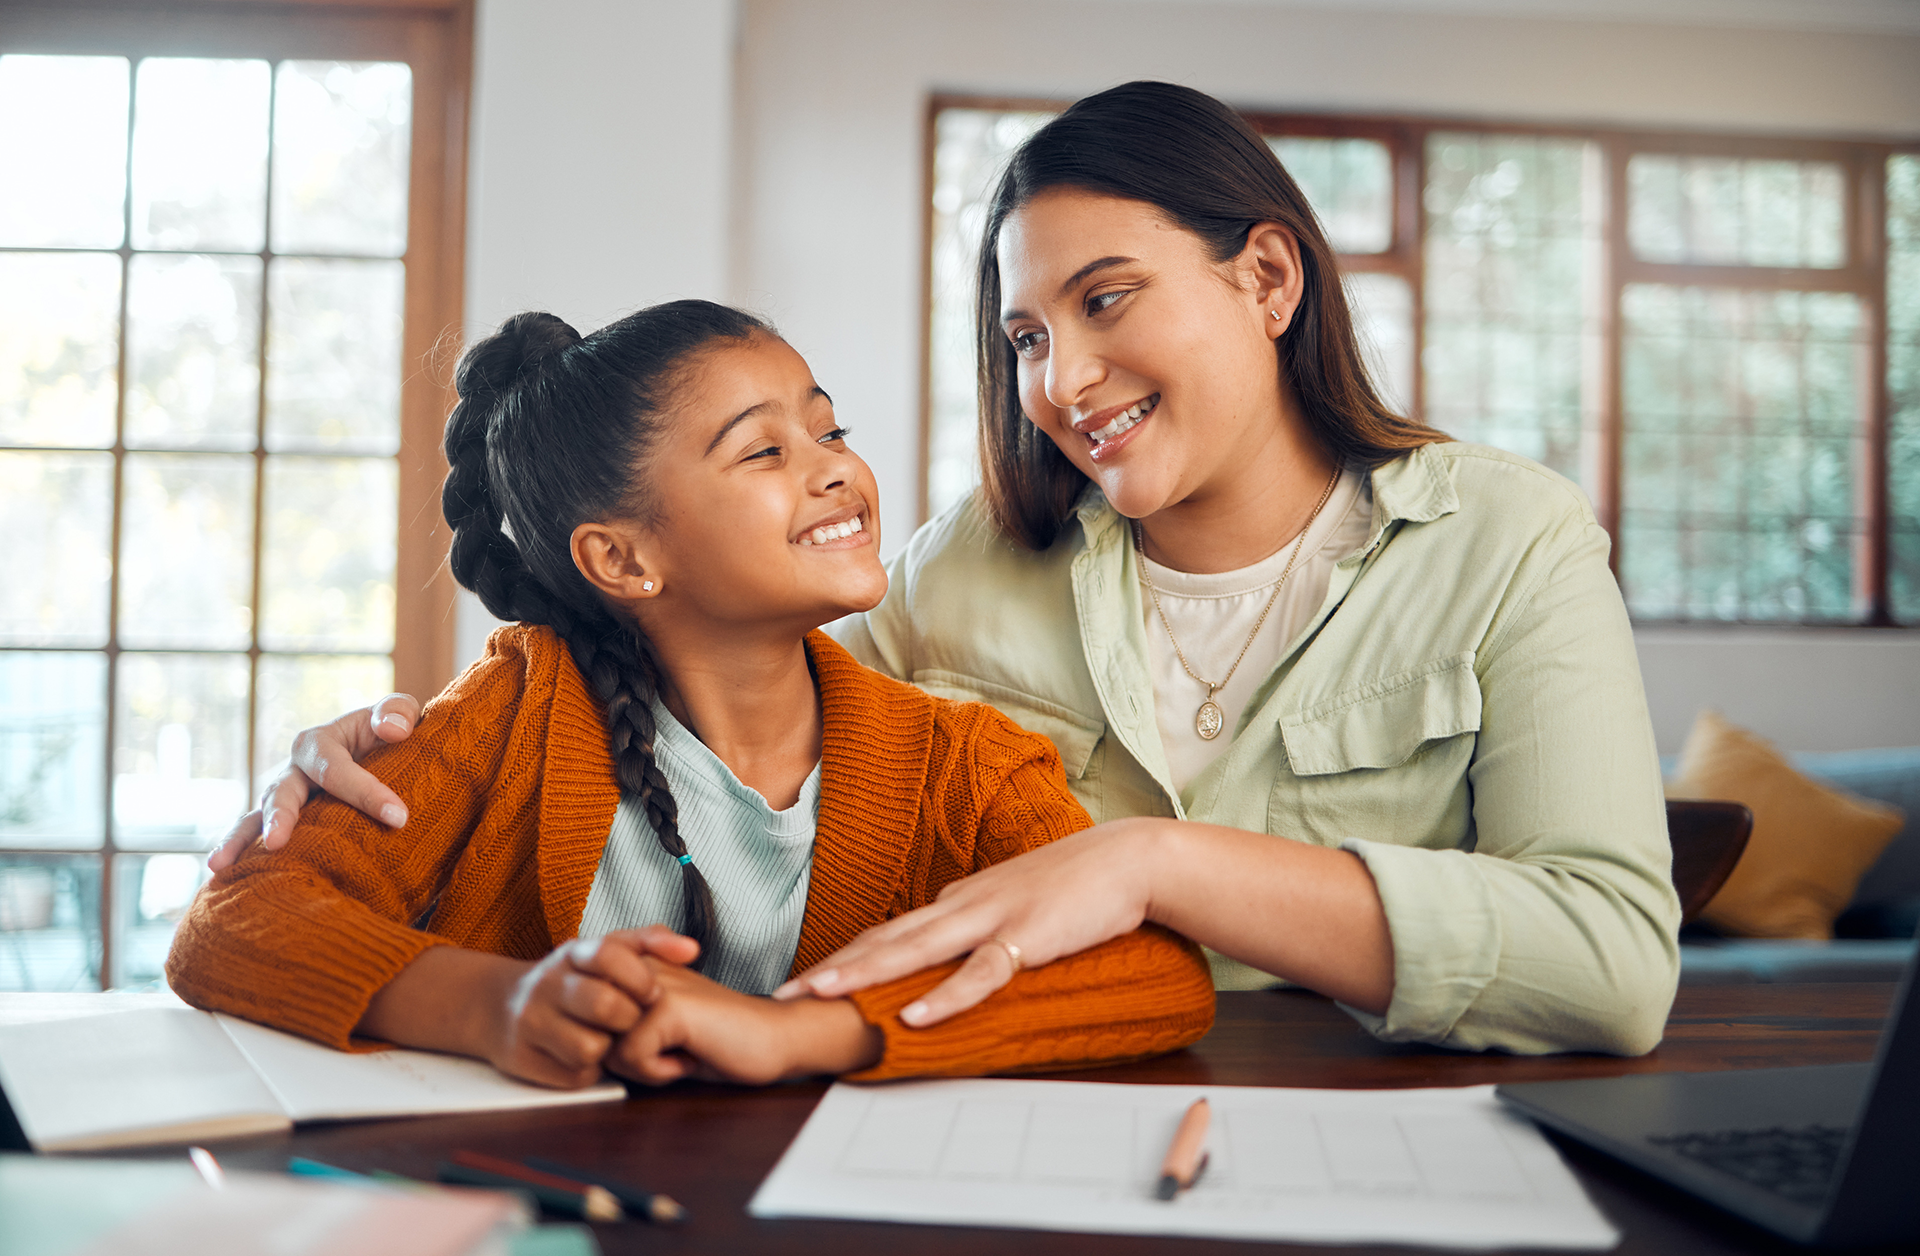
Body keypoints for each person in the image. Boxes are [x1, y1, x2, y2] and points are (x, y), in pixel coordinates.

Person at [214, 82, 1678, 1058]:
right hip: (1019, 1133)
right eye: (1027, 336)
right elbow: (734, 722)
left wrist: (1147, 860)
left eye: (1106, 301)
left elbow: (1611, 963)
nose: (1062, 379)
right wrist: (370, 743)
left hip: (1390, 1125)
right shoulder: (961, 570)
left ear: (1269, 280)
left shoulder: (1510, 541)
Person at [170, 299, 1213, 1089]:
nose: (835, 470)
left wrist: (799, 1032)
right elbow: (234, 915)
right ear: (622, 559)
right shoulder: (513, 713)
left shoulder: (961, 764)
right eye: (764, 450)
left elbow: (1157, 969)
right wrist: (499, 1004)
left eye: (830, 431)